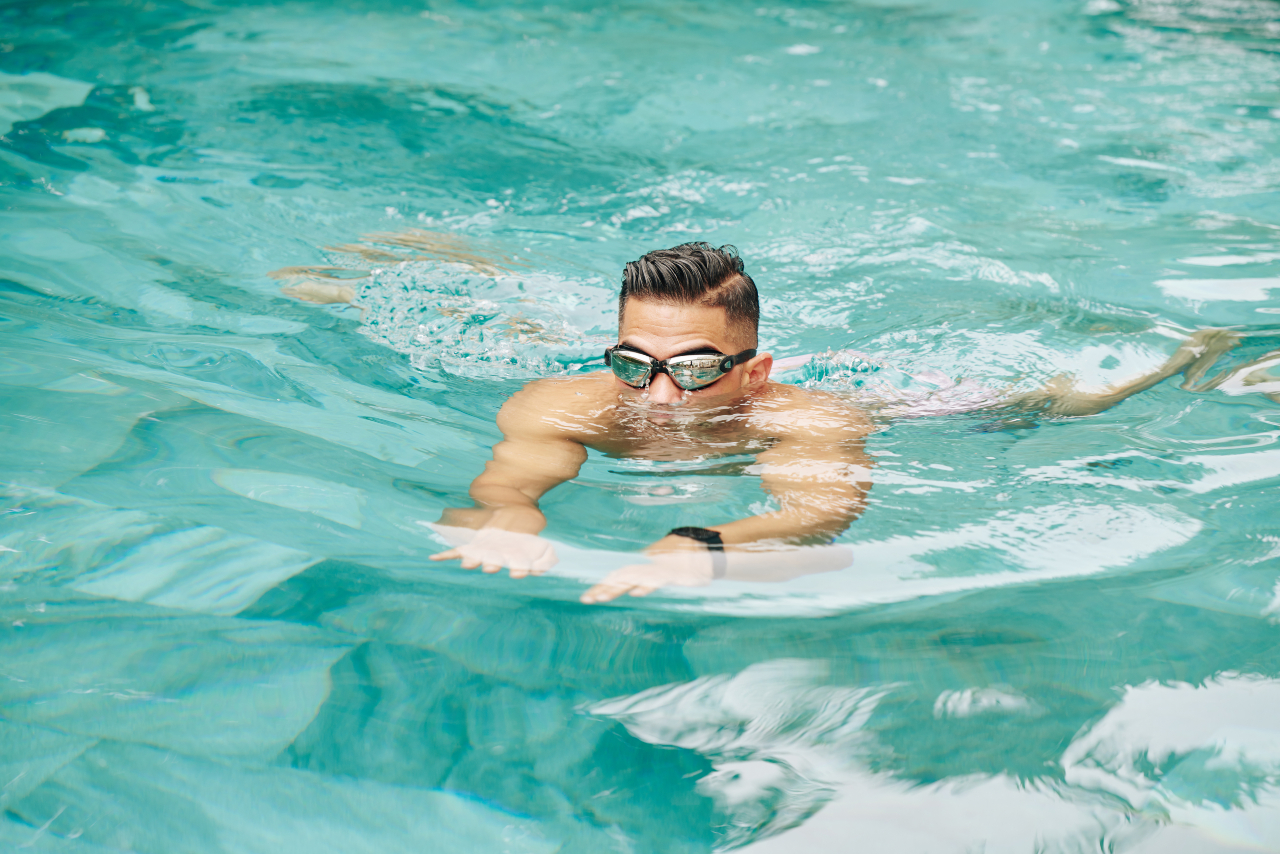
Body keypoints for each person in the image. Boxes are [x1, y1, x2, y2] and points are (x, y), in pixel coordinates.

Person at [427, 242, 1256, 603]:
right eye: (633, 363)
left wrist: (708, 543)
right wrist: (508, 518)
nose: (658, 398)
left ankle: (1201, 356)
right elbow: (510, 481)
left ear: (752, 372)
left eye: (694, 369)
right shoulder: (563, 399)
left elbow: (815, 514)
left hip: (908, 393)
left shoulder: (805, 415)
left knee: (1046, 401)